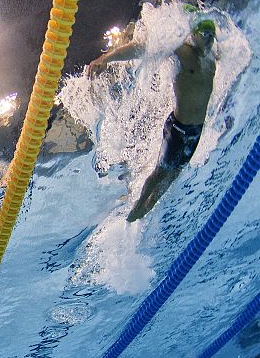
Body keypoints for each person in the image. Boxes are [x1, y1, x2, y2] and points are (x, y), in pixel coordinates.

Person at [87, 16, 217, 221]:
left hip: (195, 132)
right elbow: (145, 48)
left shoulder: (211, 60)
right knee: (161, 173)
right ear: (194, 35)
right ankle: (134, 213)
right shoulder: (184, 52)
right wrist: (105, 59)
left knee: (171, 177)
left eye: (212, 36)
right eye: (205, 34)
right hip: (179, 129)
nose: (209, 40)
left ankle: (142, 213)